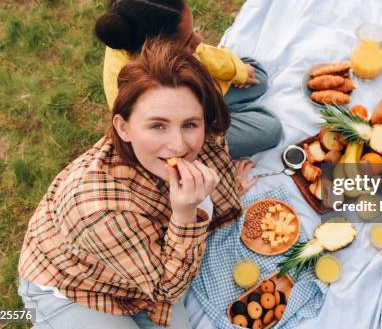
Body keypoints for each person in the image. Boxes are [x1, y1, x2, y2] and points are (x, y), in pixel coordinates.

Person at [17, 40, 257, 328]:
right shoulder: (96, 208)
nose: (178, 145)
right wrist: (185, 214)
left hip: (136, 273)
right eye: (157, 126)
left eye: (190, 124)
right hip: (73, 286)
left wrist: (227, 187)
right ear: (123, 128)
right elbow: (167, 289)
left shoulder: (204, 138)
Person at [95, 0, 282, 160]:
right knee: (270, 128)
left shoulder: (149, 42)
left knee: (258, 76)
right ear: (155, 56)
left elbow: (201, 53)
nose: (199, 39)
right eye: (187, 41)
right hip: (191, 123)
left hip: (204, 93)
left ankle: (226, 109)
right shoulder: (133, 92)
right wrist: (201, 128)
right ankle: (220, 120)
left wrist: (237, 71)